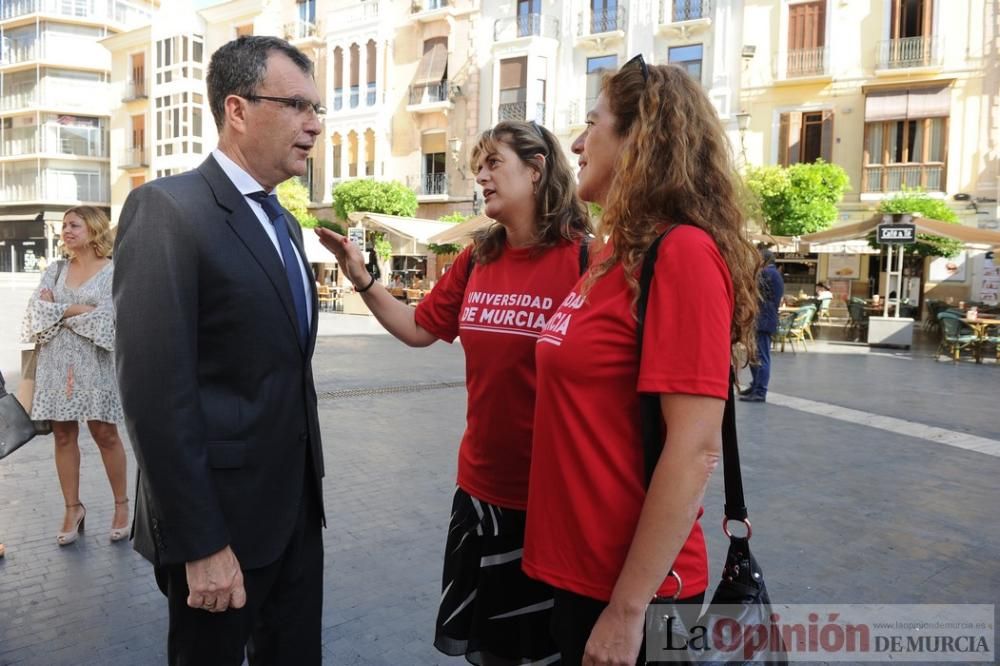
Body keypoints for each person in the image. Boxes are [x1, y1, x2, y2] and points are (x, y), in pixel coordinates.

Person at [316, 120, 592, 665]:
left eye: (494, 164)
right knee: (489, 651)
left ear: (536, 169)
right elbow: (419, 328)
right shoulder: (477, 259)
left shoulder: (588, 262)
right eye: (478, 168)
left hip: (552, 501)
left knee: (545, 652)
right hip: (480, 493)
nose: (481, 178)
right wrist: (362, 278)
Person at [523, 57, 760, 665]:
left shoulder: (682, 254)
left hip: (641, 595)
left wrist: (628, 611)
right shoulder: (608, 259)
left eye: (592, 124)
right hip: (576, 574)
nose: (576, 142)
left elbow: (696, 447)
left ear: (638, 139)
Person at [113, 36, 325, 665]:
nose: (313, 124)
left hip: (295, 520)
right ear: (237, 109)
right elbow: (155, 396)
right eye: (296, 106)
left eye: (317, 109)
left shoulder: (286, 223)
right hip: (219, 534)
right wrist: (200, 543)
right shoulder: (168, 210)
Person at [20, 206, 128, 546]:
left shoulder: (114, 272)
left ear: (93, 229)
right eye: (64, 225)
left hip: (95, 365)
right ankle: (72, 508)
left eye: (73, 225)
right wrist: (75, 310)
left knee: (105, 433)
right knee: (62, 435)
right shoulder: (55, 270)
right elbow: (35, 314)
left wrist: (58, 312)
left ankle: (122, 506)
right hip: (55, 366)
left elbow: (109, 321)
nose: (66, 230)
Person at [740, 248, 784, 403]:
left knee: (761, 356)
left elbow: (749, 290)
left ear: (763, 260)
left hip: (762, 320)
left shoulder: (766, 274)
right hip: (763, 319)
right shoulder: (773, 274)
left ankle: (760, 391)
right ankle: (756, 385)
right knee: (754, 355)